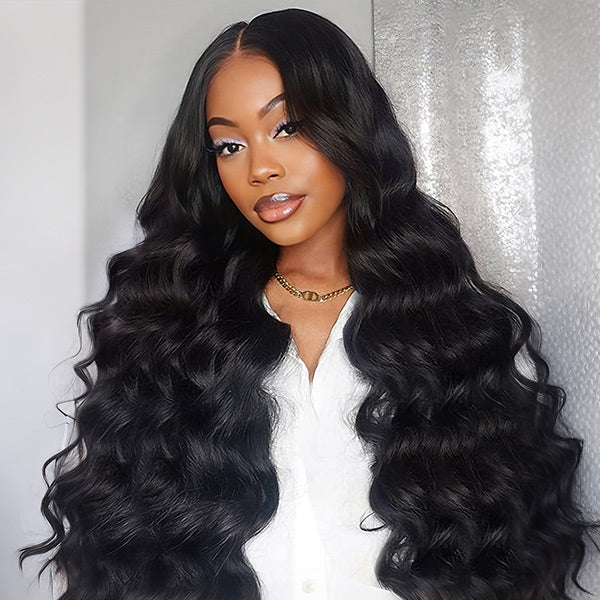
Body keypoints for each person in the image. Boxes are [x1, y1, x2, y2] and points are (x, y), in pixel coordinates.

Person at [19, 7, 598, 600]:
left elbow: (513, 553)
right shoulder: (166, 339)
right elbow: (109, 553)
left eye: (288, 128)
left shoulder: (462, 334)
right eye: (229, 145)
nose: (260, 168)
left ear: (350, 125)